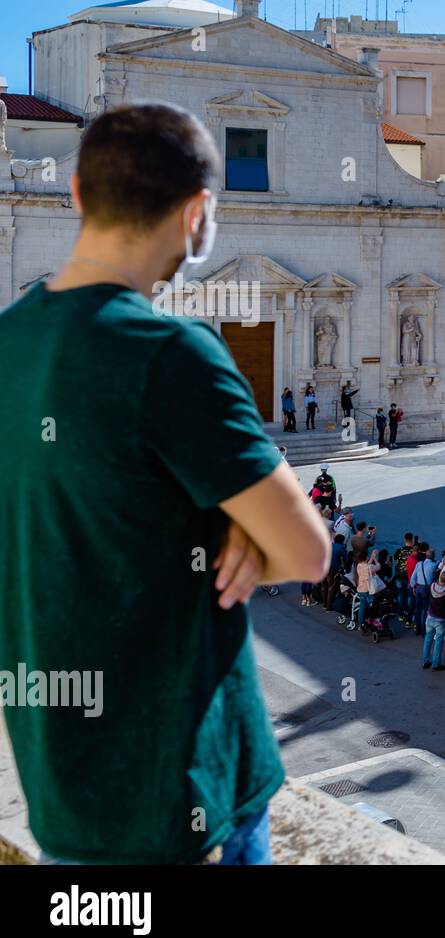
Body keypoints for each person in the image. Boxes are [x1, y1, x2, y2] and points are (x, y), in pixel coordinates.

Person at [0, 102, 331, 864]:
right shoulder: (171, 352)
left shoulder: (9, 341)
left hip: (65, 802)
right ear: (198, 215)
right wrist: (240, 527)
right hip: (185, 800)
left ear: (78, 194)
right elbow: (309, 553)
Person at [425, 570, 445, 670]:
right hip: (441, 619)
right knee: (438, 641)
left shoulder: (431, 586)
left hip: (430, 616)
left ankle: (425, 661)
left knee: (428, 639)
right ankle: (435, 664)